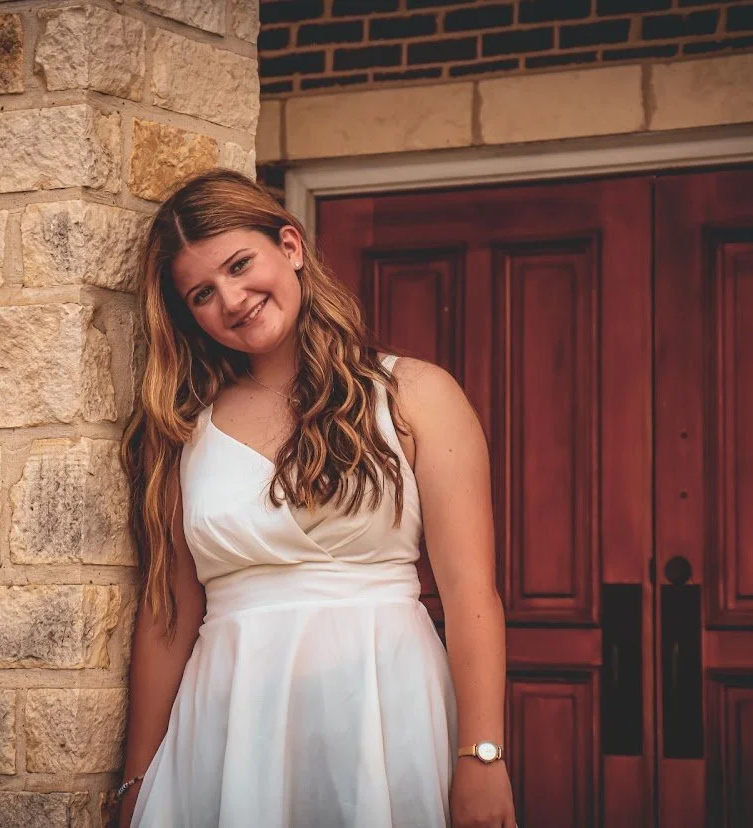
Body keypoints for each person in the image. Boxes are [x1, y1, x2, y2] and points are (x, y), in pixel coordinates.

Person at [114, 168, 515, 828]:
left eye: (242, 264)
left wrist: (482, 754)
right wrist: (136, 784)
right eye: (202, 294)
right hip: (228, 723)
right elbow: (168, 617)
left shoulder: (415, 395)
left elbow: (473, 593)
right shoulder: (183, 432)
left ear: (291, 248)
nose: (233, 298)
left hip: (386, 714)